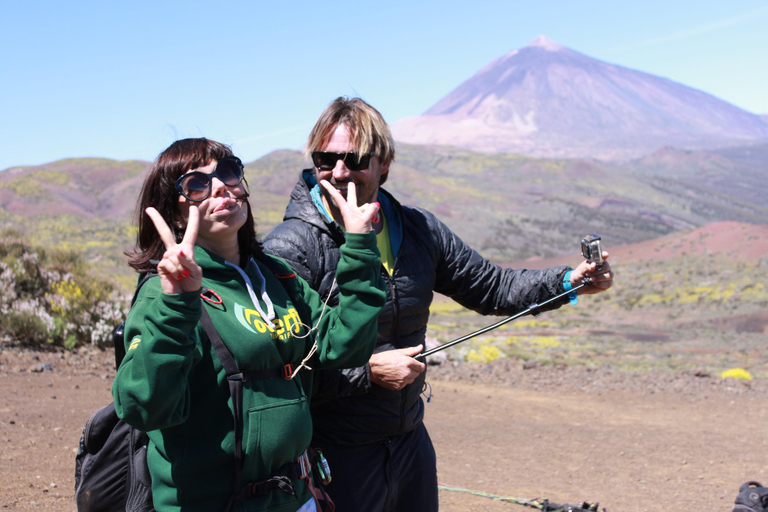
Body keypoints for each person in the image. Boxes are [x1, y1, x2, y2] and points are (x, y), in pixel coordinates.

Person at [263, 97, 615, 512]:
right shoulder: (291, 247)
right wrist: (367, 372)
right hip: (336, 455)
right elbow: (279, 369)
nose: (339, 172)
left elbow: (491, 287)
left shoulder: (418, 229)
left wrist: (567, 283)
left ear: (384, 163)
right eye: (326, 159)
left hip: (410, 442)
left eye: (354, 159)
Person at [112, 138, 386, 512]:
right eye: (196, 184)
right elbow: (145, 408)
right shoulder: (165, 296)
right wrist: (177, 305)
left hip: (295, 497)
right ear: (176, 215)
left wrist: (358, 246)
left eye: (228, 172)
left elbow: (345, 346)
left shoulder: (278, 277)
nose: (221, 186)